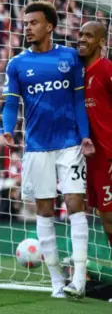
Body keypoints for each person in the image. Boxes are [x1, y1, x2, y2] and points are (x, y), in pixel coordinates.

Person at [1, 1, 94, 299]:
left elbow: (79, 101)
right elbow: (11, 103)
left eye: (33, 23)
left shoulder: (69, 57)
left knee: (75, 203)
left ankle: (78, 277)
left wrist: (85, 136)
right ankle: (56, 281)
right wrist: (6, 128)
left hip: (69, 144)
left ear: (49, 26)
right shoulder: (16, 64)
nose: (27, 27)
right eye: (25, 23)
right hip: (37, 147)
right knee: (44, 210)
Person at [78, 21, 112, 259]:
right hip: (90, 159)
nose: (82, 39)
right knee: (105, 221)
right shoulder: (78, 74)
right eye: (80, 34)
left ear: (101, 42)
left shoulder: (107, 68)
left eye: (89, 35)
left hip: (108, 156)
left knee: (110, 220)